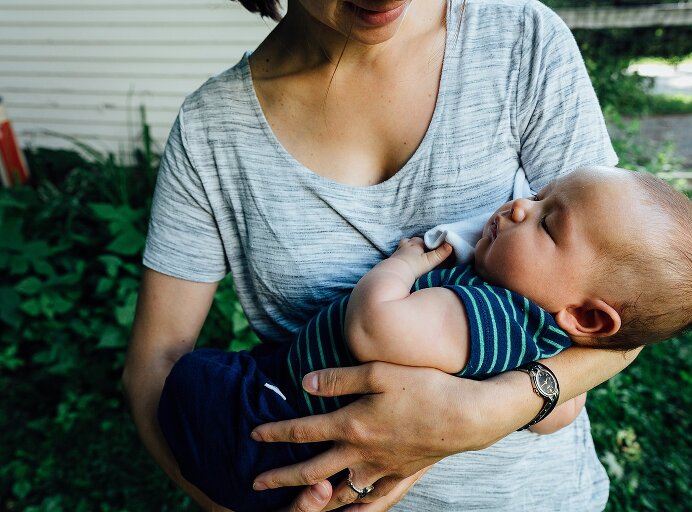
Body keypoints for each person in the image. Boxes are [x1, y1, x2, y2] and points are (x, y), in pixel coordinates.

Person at [123, 1, 659, 510]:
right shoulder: (211, 129)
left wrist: (486, 413)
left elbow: (629, 303)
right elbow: (155, 362)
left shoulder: (520, 39)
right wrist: (228, 506)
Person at [156, 166, 692, 512]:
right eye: (539, 195)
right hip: (307, 442)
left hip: (276, 425)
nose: (519, 205)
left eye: (548, 223)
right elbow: (559, 406)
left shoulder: (485, 312)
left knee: (194, 381)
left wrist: (403, 265)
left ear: (587, 317)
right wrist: (536, 396)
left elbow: (373, 326)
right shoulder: (537, 338)